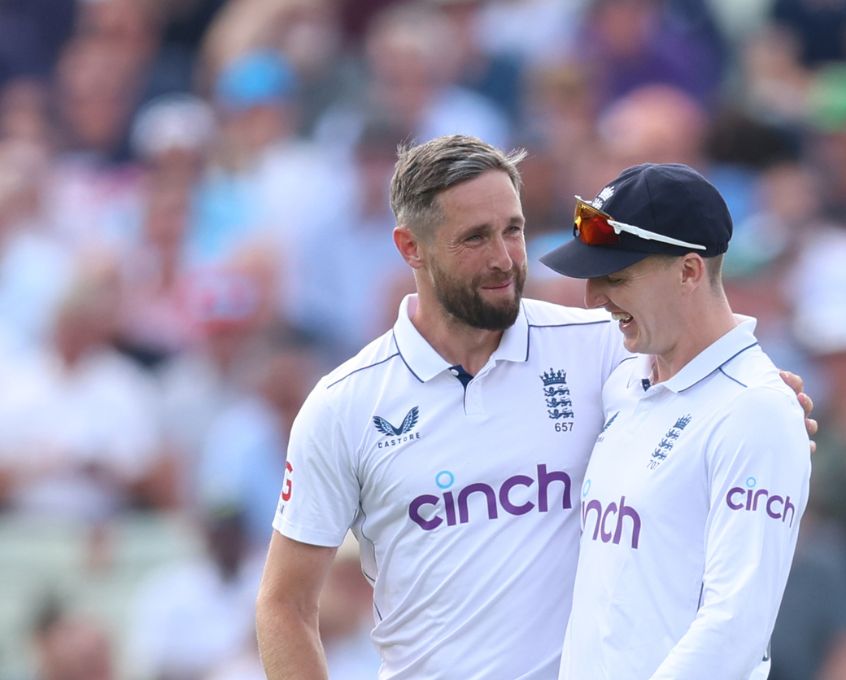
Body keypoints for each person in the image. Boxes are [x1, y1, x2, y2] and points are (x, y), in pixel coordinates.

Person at [255, 135, 816, 679]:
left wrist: (770, 403)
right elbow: (284, 606)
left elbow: (714, 379)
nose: (504, 259)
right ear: (410, 248)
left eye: (514, 230)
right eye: (475, 238)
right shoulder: (344, 405)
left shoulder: (603, 347)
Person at [540, 163, 812, 678]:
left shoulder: (758, 409)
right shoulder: (624, 383)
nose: (593, 299)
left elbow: (736, 625)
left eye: (615, 277)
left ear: (689, 271)